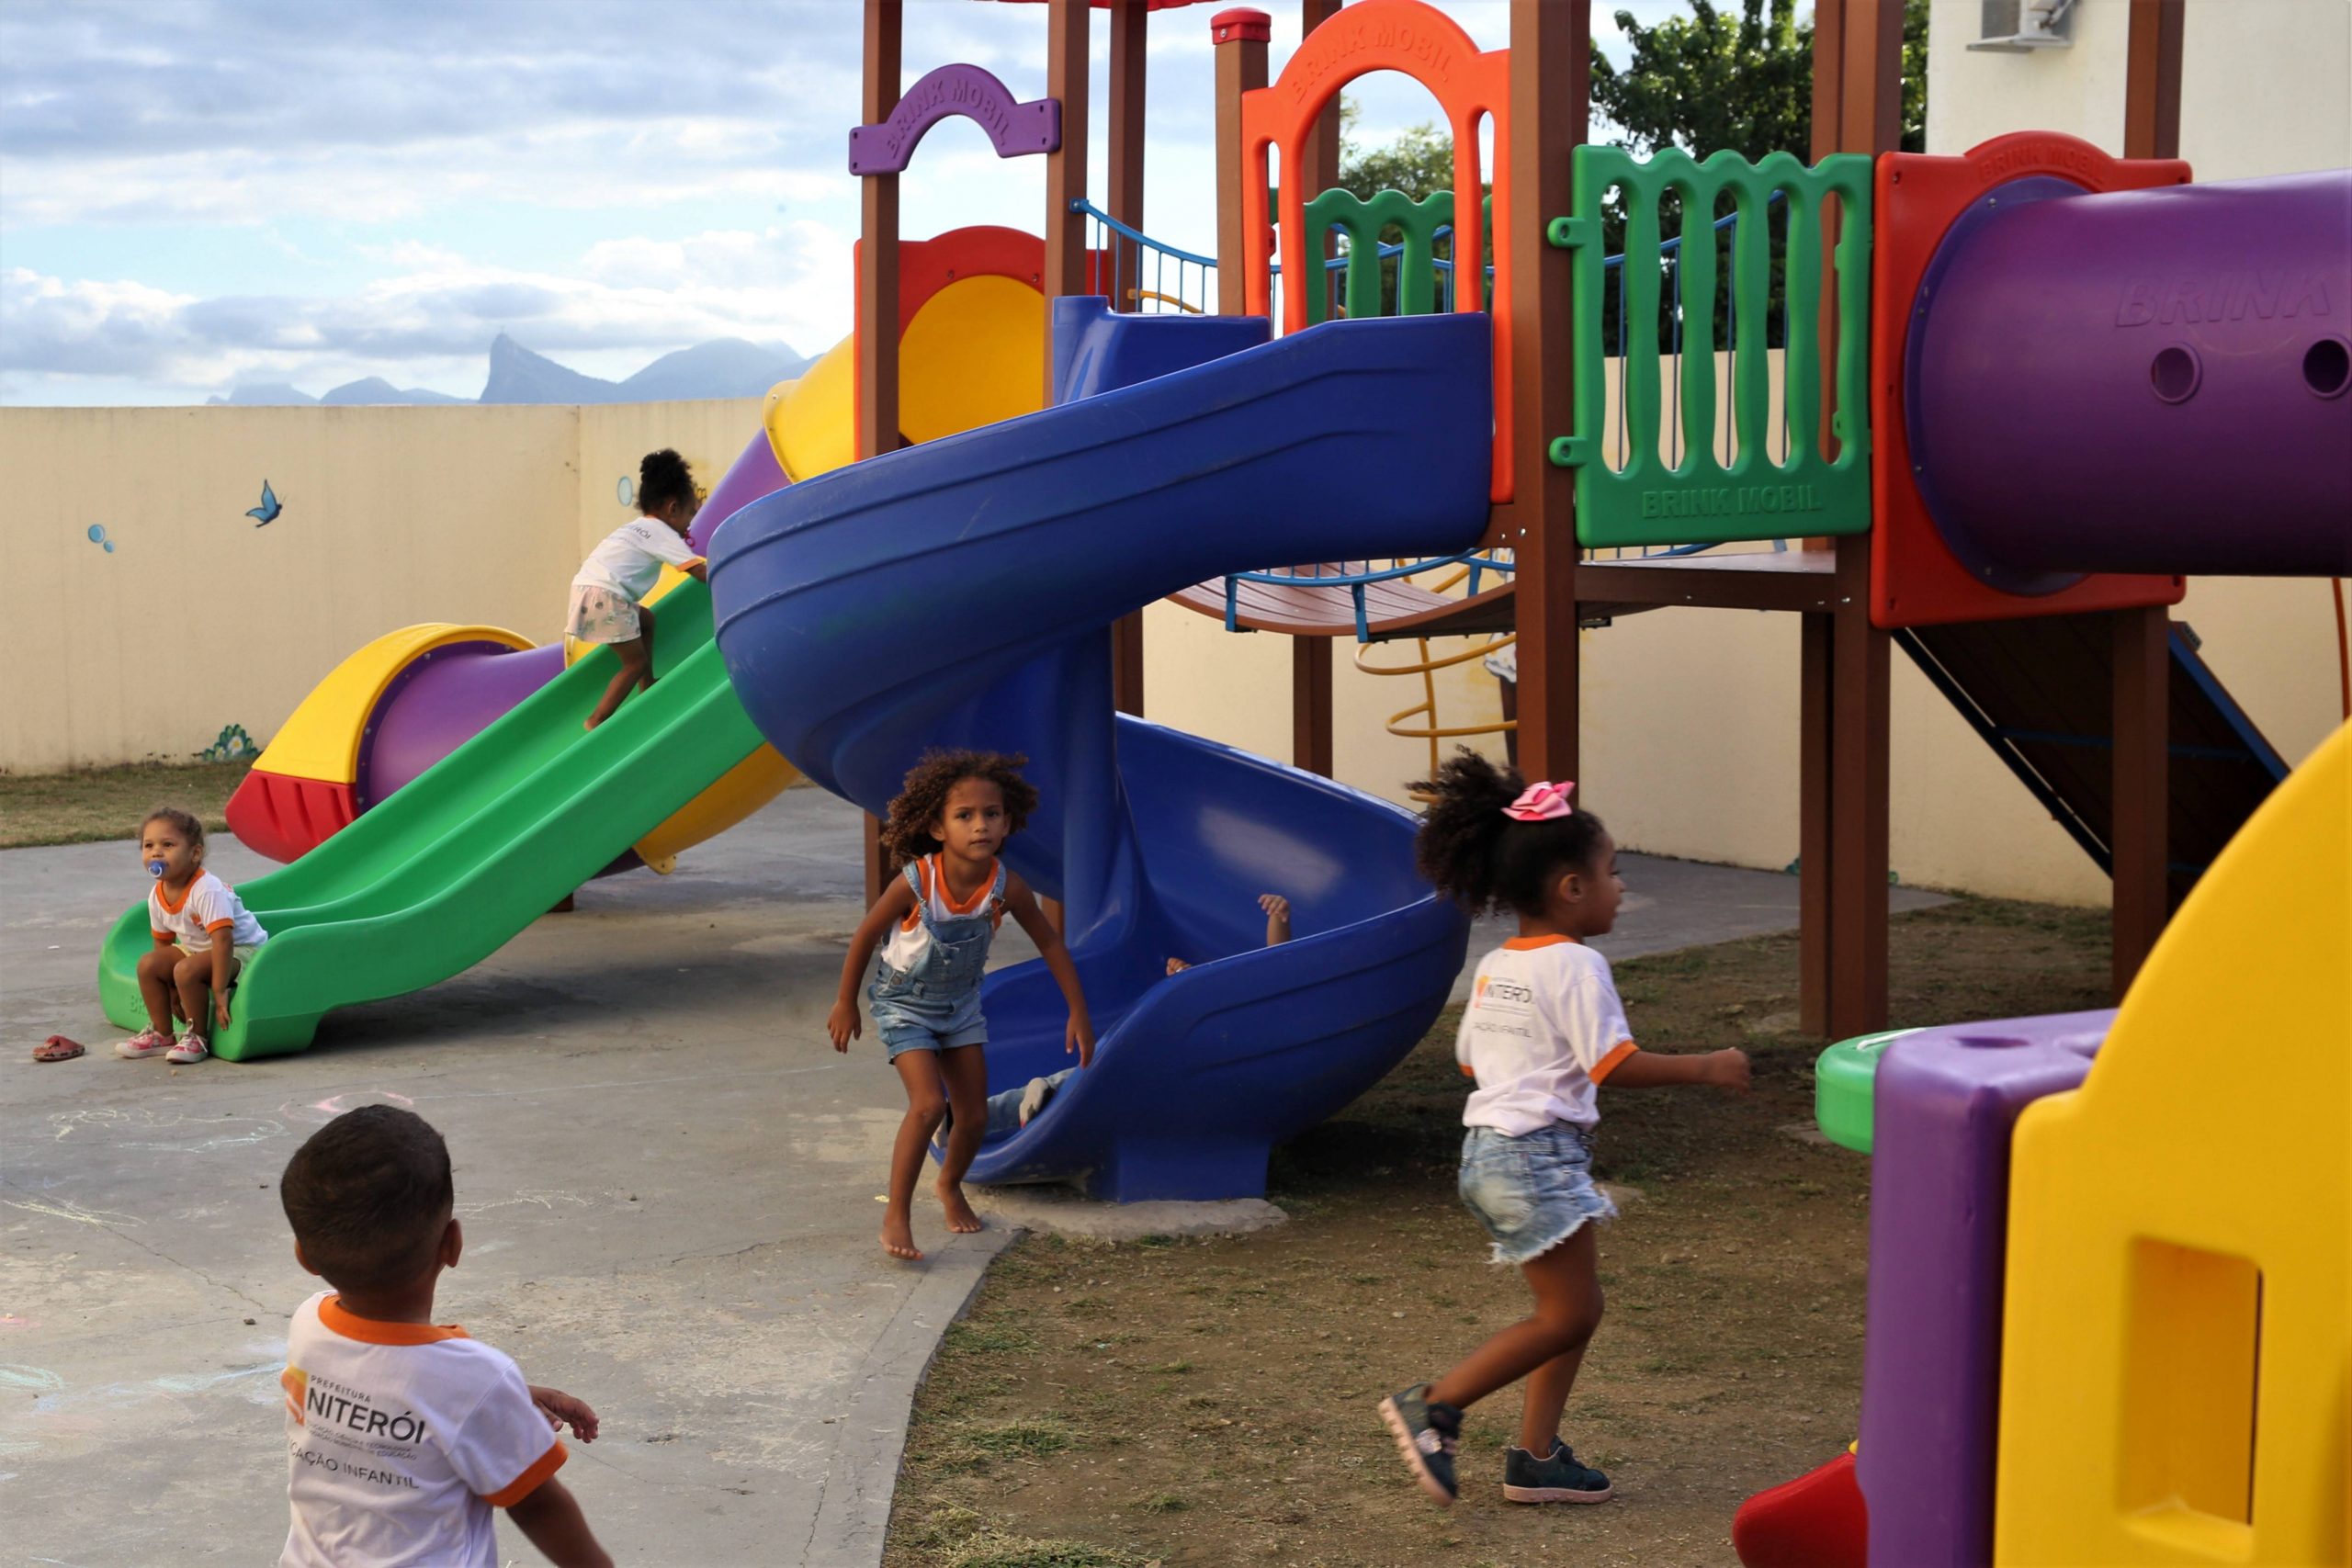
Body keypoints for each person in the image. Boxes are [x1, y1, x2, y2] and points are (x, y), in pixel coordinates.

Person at [1377, 751, 1749, 1509]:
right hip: (1533, 1154)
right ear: (1571, 887)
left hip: (1490, 1151)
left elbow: (1468, 1061)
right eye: (1613, 872)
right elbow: (1614, 1063)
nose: (1620, 887)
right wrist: (1706, 1065)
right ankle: (1437, 1404)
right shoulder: (1577, 967)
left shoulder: (1500, 966)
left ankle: (1537, 1456)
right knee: (1571, 1311)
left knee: (1573, 1307)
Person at [277, 1105, 610, 1568]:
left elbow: (381, 1385)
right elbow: (537, 1505)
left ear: (303, 1255)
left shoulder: (309, 1325)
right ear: (452, 1244)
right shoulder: (473, 1380)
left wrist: (505, 1400)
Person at [828, 750, 1096, 1261]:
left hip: (961, 1007)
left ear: (1008, 821)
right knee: (929, 1104)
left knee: (971, 1116)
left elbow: (1052, 945)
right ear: (937, 827)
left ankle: (950, 1184)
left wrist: (1077, 1012)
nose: (981, 826)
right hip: (905, 1003)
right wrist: (846, 1002)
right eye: (965, 816)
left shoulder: (1006, 887)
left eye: (991, 815)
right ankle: (896, 1215)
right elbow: (865, 934)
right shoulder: (916, 882)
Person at [974, 894, 1295, 1140]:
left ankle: (1035, 1099)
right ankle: (970, 1117)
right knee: (1083, 1074)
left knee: (1091, 1080)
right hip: (1161, 1065)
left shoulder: (1262, 1018)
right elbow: (1205, 1002)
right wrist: (1185, 981)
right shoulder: (1225, 1009)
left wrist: (1279, 920)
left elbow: (1276, 968)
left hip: (1184, 1080)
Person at [115, 807, 269, 1065]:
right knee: (148, 965)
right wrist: (171, 989)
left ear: (195, 853)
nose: (156, 852)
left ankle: (197, 1037)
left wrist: (219, 990)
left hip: (243, 951)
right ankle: (162, 1034)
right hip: (198, 949)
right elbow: (162, 945)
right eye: (148, 845)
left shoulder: (206, 890)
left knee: (186, 970)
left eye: (167, 844)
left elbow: (223, 940)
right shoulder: (157, 895)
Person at [569, 448, 704, 731]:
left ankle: (648, 684)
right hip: (606, 596)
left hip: (586, 589)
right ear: (673, 508)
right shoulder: (663, 533)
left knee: (647, 620)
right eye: (691, 513)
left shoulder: (636, 527)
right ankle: (597, 719)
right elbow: (699, 572)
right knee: (634, 663)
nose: (691, 522)